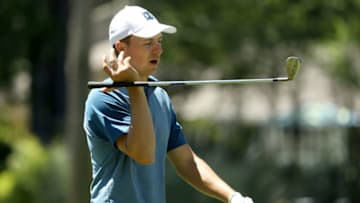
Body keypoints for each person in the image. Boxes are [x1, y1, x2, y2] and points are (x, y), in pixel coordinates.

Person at [83, 5, 254, 203]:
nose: (159, 49)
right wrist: (135, 87)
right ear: (121, 48)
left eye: (159, 41)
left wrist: (232, 197)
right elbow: (143, 153)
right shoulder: (104, 98)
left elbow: (187, 163)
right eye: (148, 43)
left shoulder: (159, 96)